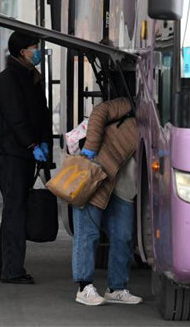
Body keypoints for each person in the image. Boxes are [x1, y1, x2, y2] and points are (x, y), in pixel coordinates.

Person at [0, 32, 52, 284]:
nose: (36, 51)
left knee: (14, 210)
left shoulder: (29, 77)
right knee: (15, 211)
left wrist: (44, 142)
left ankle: (5, 267)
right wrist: (32, 144)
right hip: (13, 153)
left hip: (24, 153)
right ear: (20, 52)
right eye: (32, 47)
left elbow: (41, 113)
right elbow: (15, 117)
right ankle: (12, 270)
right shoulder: (9, 79)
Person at [72, 97, 143, 306]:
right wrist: (91, 149)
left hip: (124, 184)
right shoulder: (130, 103)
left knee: (124, 235)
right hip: (96, 173)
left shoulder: (164, 122)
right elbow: (100, 112)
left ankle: (117, 287)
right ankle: (84, 287)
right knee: (88, 232)